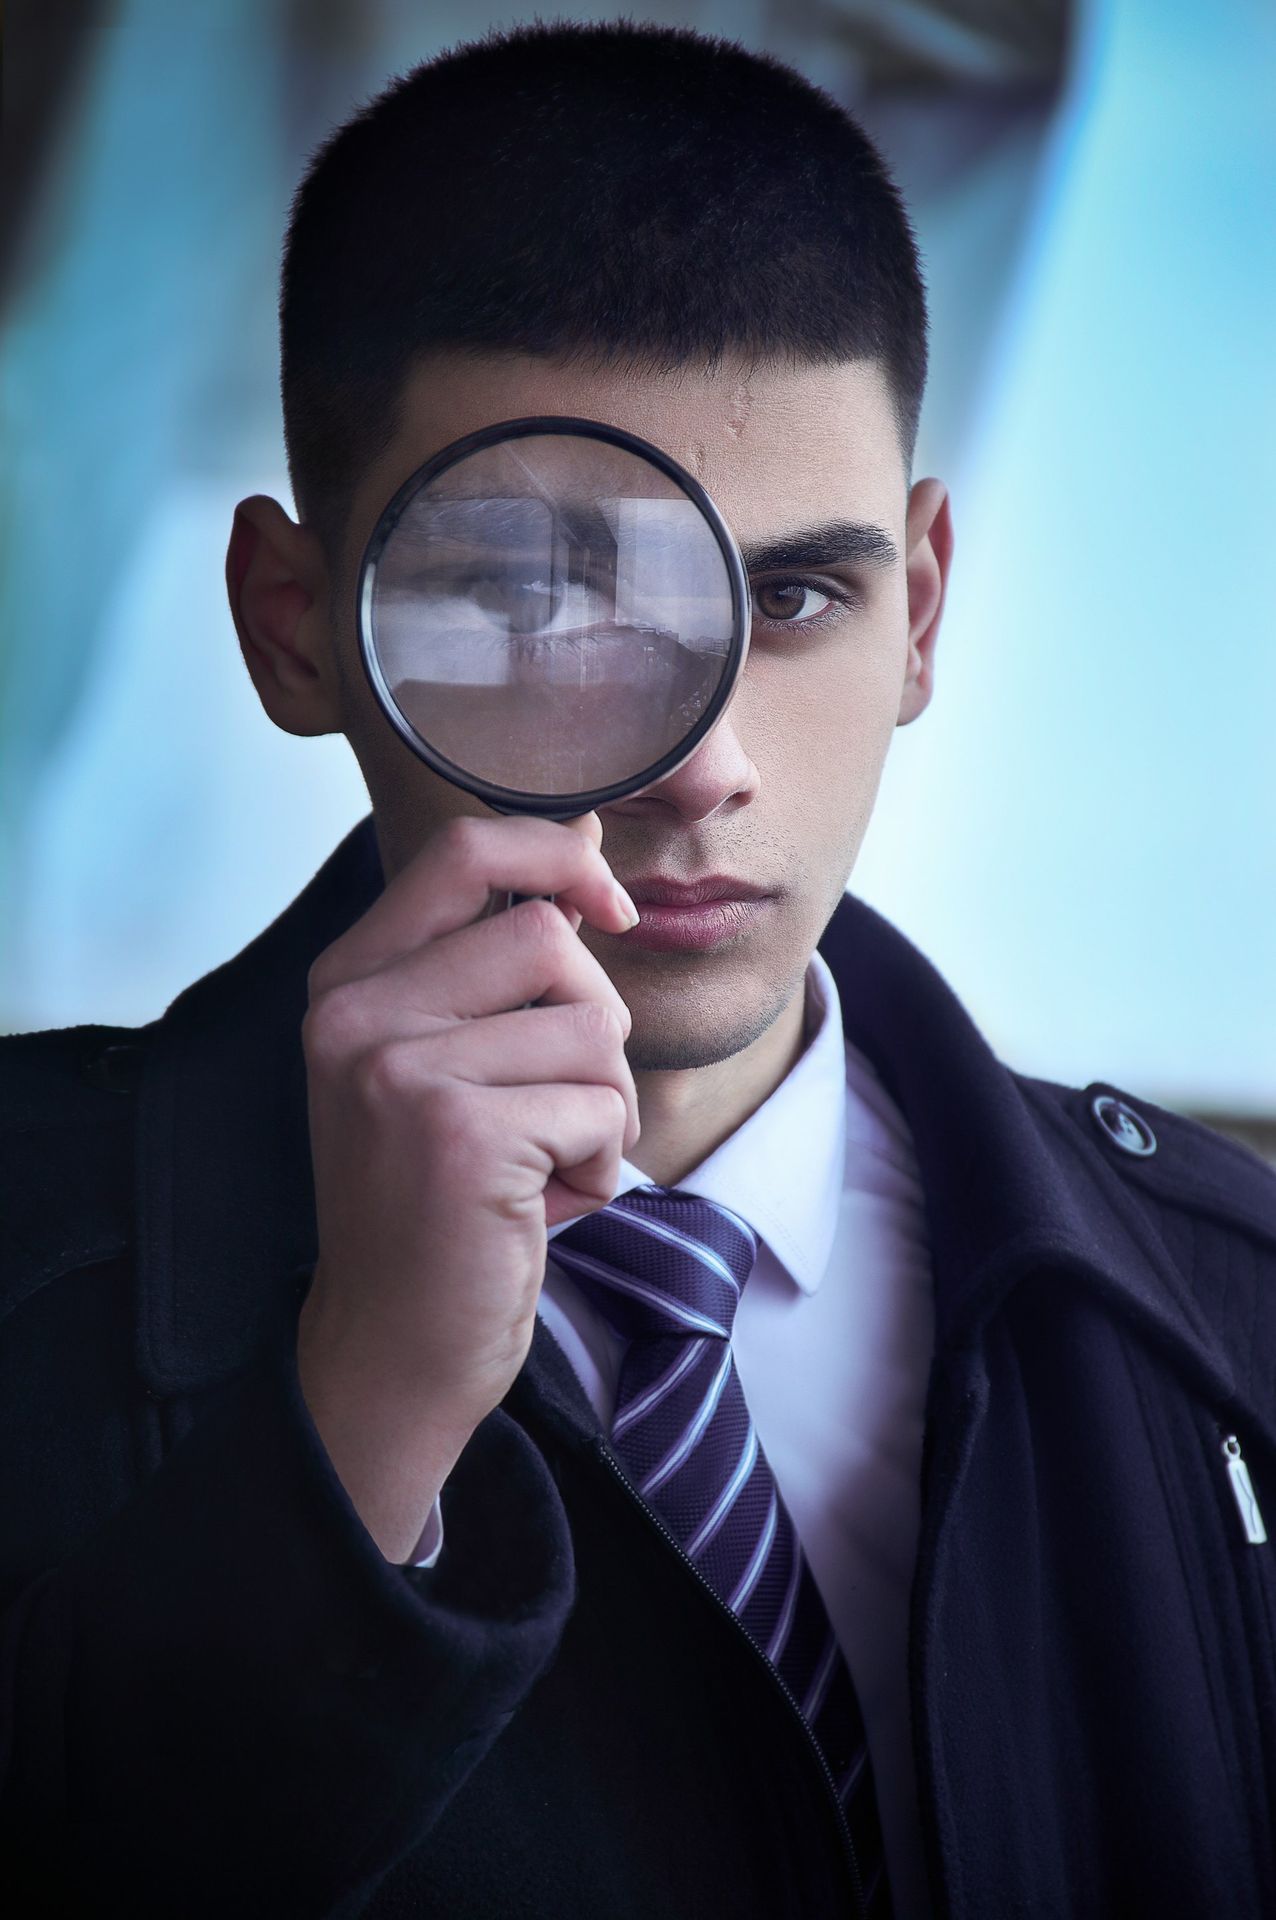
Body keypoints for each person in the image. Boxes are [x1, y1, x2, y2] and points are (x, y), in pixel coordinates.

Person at [2, 20, 1273, 1920]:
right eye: (534, 595)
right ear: (296, 627)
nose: (704, 762)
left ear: (922, 612)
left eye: (798, 597)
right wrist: (358, 1420)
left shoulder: (1237, 1318)